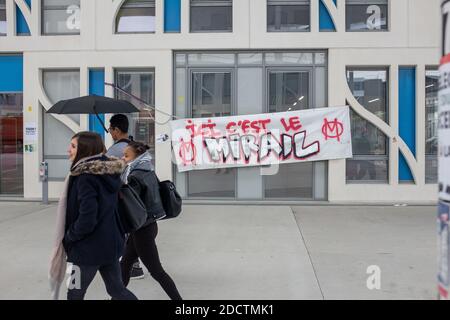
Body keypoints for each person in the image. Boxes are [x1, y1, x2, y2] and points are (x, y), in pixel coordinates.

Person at [63, 131, 138, 300]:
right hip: (110, 244)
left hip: (85, 250)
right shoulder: (109, 174)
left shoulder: (84, 177)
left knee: (73, 293)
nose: (69, 150)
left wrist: (70, 236)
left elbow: (87, 217)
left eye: (73, 146)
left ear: (85, 149)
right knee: (117, 290)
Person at [120, 141, 182, 300]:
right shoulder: (148, 169)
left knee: (156, 271)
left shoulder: (134, 176)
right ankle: (117, 296)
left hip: (142, 229)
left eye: (126, 155)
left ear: (137, 156)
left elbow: (130, 203)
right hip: (146, 226)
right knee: (125, 264)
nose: (123, 158)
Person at [106, 114, 145, 280]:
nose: (109, 132)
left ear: (116, 129)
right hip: (135, 197)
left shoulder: (114, 150)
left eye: (110, 129)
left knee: (119, 231)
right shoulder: (135, 146)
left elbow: (105, 174)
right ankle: (133, 266)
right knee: (130, 230)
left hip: (119, 196)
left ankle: (129, 266)